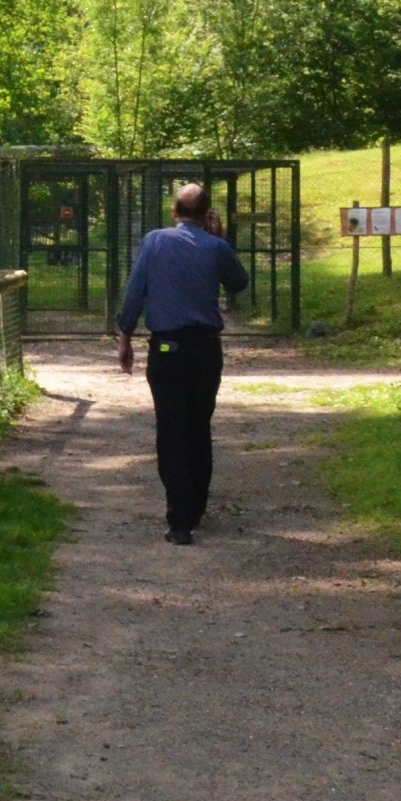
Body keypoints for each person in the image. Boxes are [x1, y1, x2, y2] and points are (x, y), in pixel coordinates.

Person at [116, 182, 251, 543]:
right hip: (205, 349)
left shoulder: (155, 241)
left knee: (171, 429)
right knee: (198, 427)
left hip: (166, 350)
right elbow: (239, 283)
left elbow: (135, 289)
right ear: (207, 215)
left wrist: (125, 336)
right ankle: (195, 510)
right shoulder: (217, 246)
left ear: (174, 212)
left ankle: (179, 520)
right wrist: (220, 241)